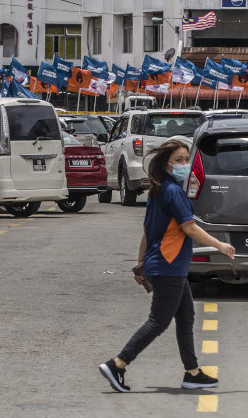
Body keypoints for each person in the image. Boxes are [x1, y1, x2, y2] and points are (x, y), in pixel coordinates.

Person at [99, 139, 236, 393]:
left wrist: (141, 262)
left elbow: (146, 232)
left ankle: (192, 373)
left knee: (186, 317)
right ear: (167, 164)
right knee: (158, 321)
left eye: (187, 159)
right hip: (168, 266)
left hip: (168, 265)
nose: (185, 164)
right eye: (179, 160)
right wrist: (221, 246)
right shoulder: (172, 191)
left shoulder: (159, 189)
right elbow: (190, 228)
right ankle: (118, 364)